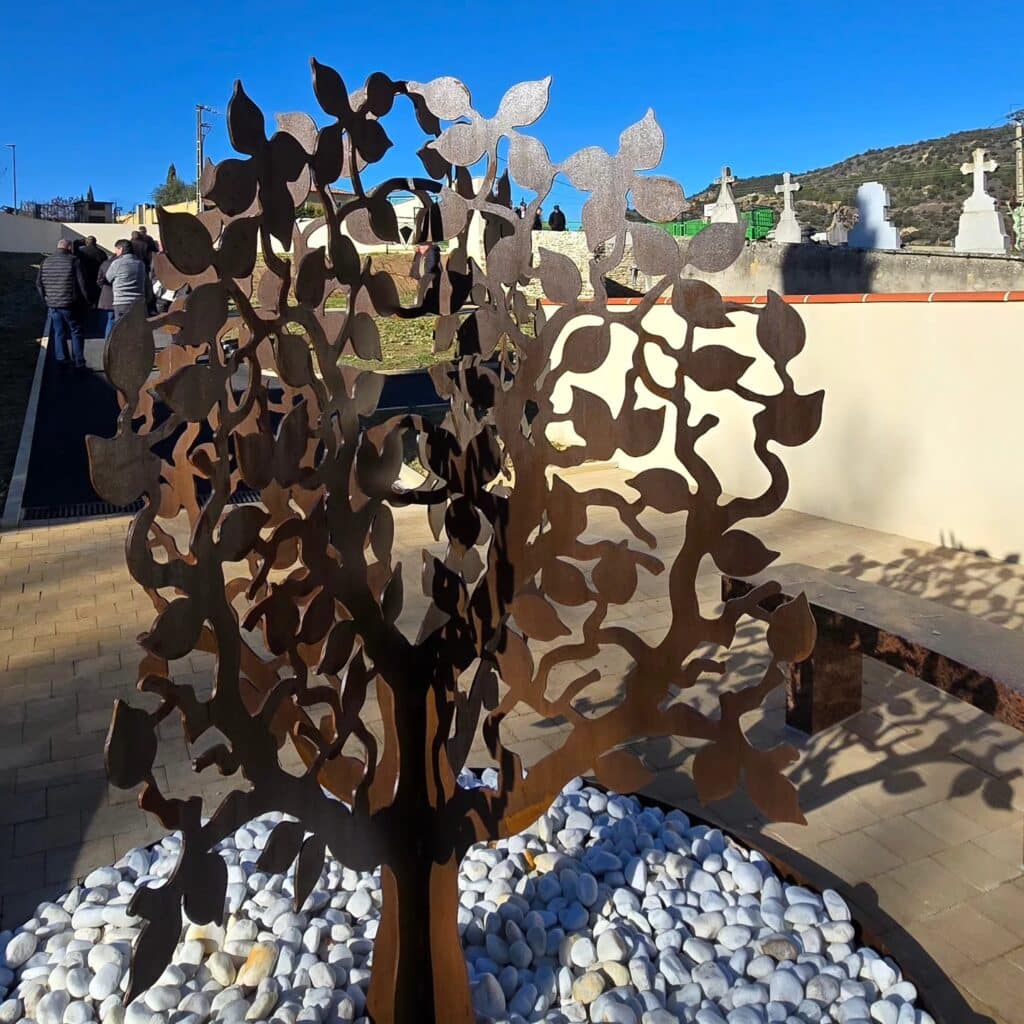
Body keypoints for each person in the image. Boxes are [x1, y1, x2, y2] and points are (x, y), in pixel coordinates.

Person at [36, 239, 88, 370]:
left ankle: (61, 358)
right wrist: (87, 300)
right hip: (70, 303)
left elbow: (38, 283)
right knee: (76, 331)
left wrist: (46, 299)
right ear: (69, 247)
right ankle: (79, 361)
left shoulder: (45, 261)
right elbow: (82, 283)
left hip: (53, 304)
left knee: (59, 332)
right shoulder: (74, 261)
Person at [105, 239, 147, 324]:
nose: (115, 252)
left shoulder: (117, 263)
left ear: (121, 249)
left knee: (121, 331)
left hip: (121, 302)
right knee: (136, 329)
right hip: (138, 302)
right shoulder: (140, 263)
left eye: (116, 249)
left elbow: (108, 278)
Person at [77, 235, 107, 310]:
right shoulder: (102, 253)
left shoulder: (80, 252)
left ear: (86, 242)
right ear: (96, 242)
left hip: (84, 279)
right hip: (97, 279)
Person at [410, 241, 441, 311]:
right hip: (422, 277)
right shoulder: (419, 254)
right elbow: (415, 264)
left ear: (429, 246)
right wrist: (413, 274)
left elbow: (431, 264)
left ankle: (423, 306)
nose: (422, 248)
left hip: (430, 277)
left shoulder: (432, 252)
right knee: (421, 291)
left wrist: (427, 275)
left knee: (427, 292)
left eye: (425, 246)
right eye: (421, 246)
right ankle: (421, 305)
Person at [96, 254, 116, 339]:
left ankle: (107, 341)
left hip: (107, 294)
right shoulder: (122, 264)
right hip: (120, 295)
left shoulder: (105, 264)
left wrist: (104, 287)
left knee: (110, 319)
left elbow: (99, 280)